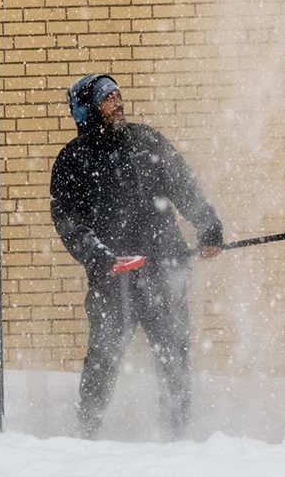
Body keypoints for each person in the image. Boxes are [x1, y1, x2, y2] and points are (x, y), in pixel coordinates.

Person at [50, 74, 223, 439]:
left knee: (173, 355)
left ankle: (177, 436)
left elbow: (183, 185)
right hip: (113, 280)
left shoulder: (146, 141)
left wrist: (208, 227)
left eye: (117, 95)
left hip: (164, 270)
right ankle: (87, 432)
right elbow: (69, 222)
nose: (117, 102)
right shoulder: (71, 161)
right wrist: (97, 255)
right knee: (103, 359)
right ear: (85, 110)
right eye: (106, 98)